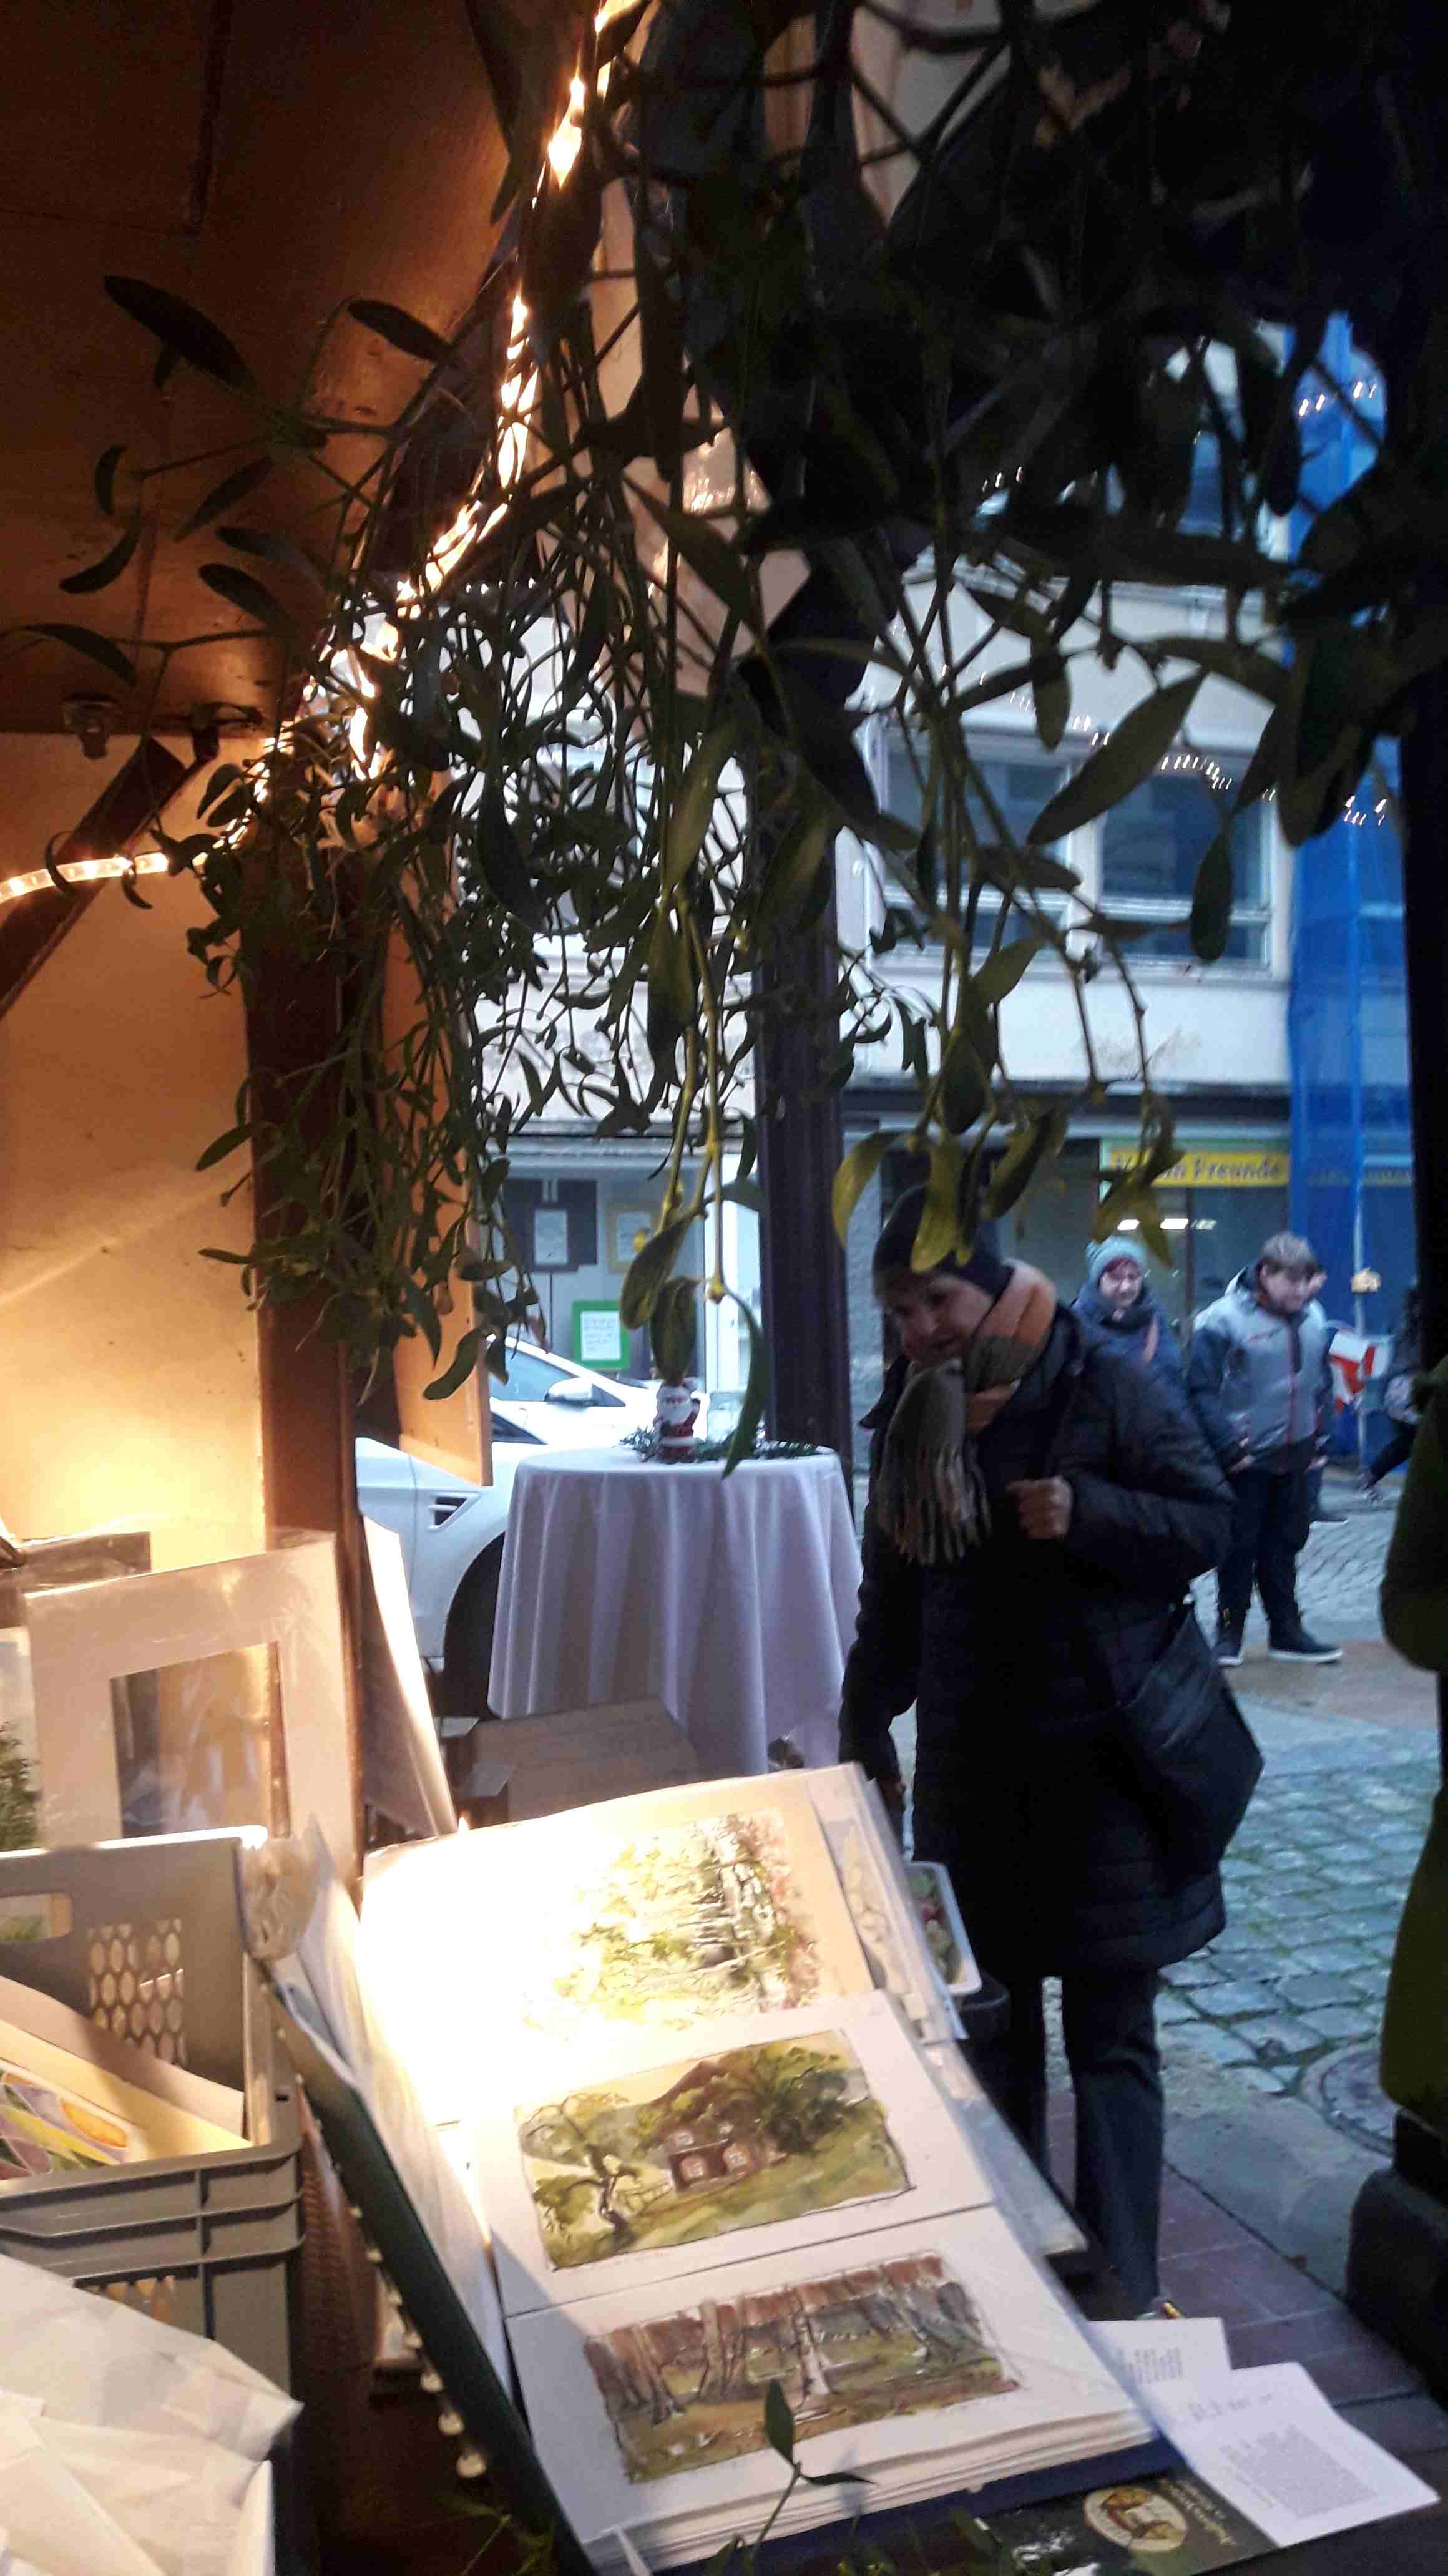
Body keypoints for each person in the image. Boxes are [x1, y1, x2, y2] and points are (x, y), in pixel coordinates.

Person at [839, 1188, 1233, 2315]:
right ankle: (1023, 2276)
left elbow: (1209, 1520)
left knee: (1110, 2040)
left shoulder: (1103, 1379)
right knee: (990, 2035)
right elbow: (896, 1591)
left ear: (990, 1285)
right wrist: (865, 1724)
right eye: (900, 1309)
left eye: (937, 1300)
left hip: (1103, 1773)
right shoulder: (914, 1412)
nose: (920, 1328)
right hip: (973, 1774)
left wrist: (1091, 1510)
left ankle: (1122, 2288)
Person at [1186, 1232, 1339, 1667]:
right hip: (1244, 1459)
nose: (1300, 1292)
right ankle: (1228, 1633)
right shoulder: (1223, 1320)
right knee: (1238, 1550)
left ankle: (1286, 1632)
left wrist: (1320, 1438)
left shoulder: (1312, 1318)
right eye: (1291, 1281)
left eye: (1305, 1281)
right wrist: (1228, 1449)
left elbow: (1321, 1382)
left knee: (1284, 1547)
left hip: (1295, 1454)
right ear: (1266, 1273)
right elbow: (1199, 1389)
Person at [1071, 1236, 1183, 1380]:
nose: (1126, 1287)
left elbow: (1172, 1376)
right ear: (1098, 1280)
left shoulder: (1154, 1317)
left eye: (1133, 1277)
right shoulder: (1077, 1322)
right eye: (1115, 1277)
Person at [1362, 1281, 1421, 1498]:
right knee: (1416, 1441)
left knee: (1408, 1443)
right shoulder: (1421, 1324)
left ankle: (1370, 1477)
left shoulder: (1407, 1319)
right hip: (1408, 1390)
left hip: (1397, 1390)